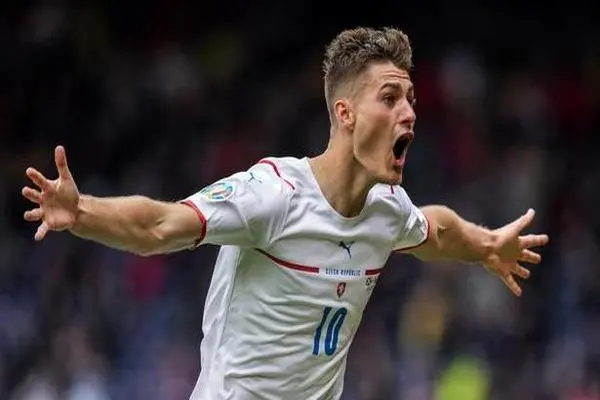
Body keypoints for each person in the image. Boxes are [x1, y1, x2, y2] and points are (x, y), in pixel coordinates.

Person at [21, 27, 549, 400]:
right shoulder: (274, 194)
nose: (409, 112)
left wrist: (487, 246)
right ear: (345, 114)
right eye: (390, 98)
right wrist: (82, 211)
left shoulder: (388, 210)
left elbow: (435, 231)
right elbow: (160, 225)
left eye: (411, 98)